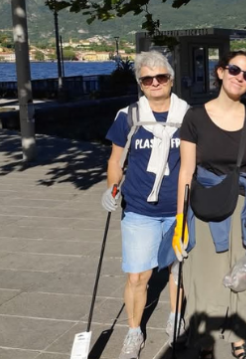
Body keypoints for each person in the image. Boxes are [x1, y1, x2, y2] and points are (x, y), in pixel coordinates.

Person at [174, 50, 246, 359]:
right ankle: (205, 341)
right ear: (221, 71)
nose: (240, 78)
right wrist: (180, 222)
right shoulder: (195, 117)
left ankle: (238, 337)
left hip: (243, 210)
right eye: (235, 70)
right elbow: (186, 172)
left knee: (241, 274)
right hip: (206, 206)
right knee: (204, 275)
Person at [102, 51, 190, 359]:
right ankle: (133, 331)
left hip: (180, 210)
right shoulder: (128, 116)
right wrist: (112, 188)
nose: (154, 83)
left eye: (160, 77)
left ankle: (175, 318)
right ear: (140, 84)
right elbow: (116, 160)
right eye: (147, 79)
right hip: (140, 209)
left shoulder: (188, 116)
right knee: (138, 276)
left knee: (178, 271)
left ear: (171, 80)